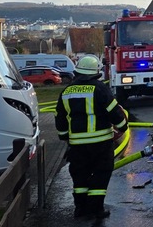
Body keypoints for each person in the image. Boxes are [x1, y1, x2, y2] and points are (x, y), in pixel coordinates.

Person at [55, 55, 128, 219]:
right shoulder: (100, 88)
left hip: (77, 145)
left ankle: (80, 208)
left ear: (77, 72)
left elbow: (60, 117)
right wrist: (123, 126)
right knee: (101, 174)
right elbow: (114, 111)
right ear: (96, 73)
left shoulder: (66, 91)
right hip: (101, 143)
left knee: (79, 176)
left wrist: (64, 136)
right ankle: (96, 209)